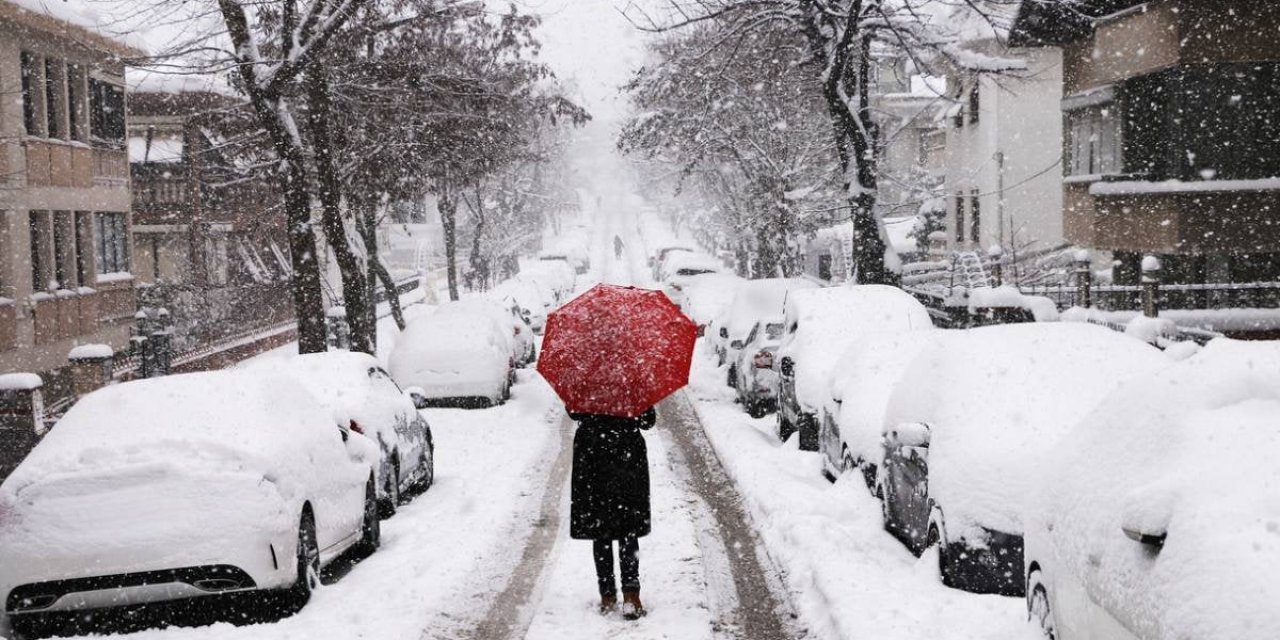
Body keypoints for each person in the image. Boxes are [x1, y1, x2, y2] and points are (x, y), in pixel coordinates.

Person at [568, 407, 656, 619]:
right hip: (627, 456)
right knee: (628, 528)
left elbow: (574, 412)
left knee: (601, 530)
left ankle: (607, 595)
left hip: (593, 456)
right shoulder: (633, 380)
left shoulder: (586, 379)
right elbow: (647, 421)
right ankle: (631, 595)